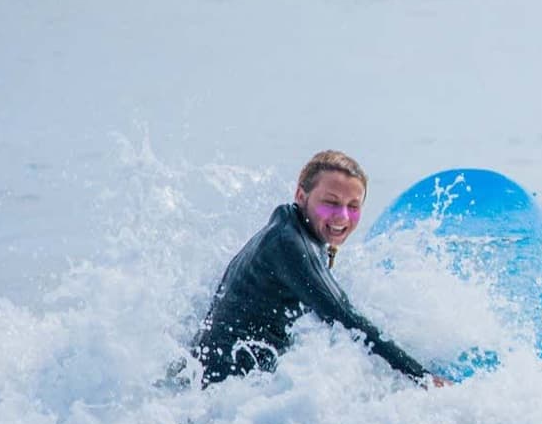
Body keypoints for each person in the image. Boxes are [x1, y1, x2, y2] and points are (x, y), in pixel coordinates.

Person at [190, 150, 449, 388]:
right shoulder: (288, 245)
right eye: (331, 202)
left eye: (353, 206)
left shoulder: (289, 227)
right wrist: (422, 377)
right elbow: (343, 315)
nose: (343, 217)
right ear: (301, 196)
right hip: (225, 390)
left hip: (217, 380)